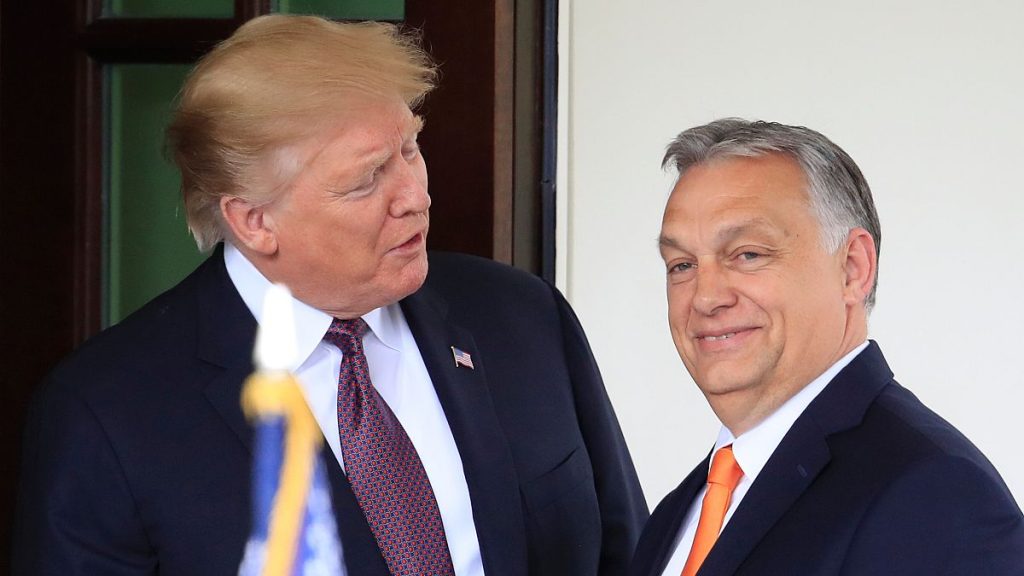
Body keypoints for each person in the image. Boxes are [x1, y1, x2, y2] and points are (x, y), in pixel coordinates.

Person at [13, 15, 648, 576]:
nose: (416, 195)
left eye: (410, 147)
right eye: (367, 178)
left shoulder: (521, 316)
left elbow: (628, 553)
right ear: (255, 221)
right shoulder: (106, 413)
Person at [629, 119, 1024, 576]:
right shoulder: (676, 515)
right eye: (681, 264)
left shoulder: (935, 494)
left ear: (853, 269)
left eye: (748, 254)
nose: (705, 296)